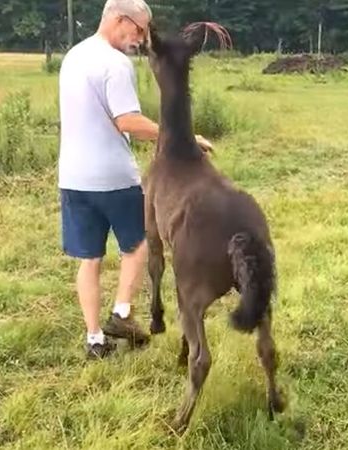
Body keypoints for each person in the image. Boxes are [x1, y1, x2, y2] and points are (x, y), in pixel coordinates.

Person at [57, 0, 213, 359]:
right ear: (120, 19)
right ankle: (122, 314)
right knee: (139, 246)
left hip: (73, 176)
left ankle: (94, 339)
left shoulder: (74, 56)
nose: (141, 39)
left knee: (90, 260)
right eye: (139, 29)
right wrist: (182, 137)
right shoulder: (115, 63)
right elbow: (127, 120)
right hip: (113, 176)